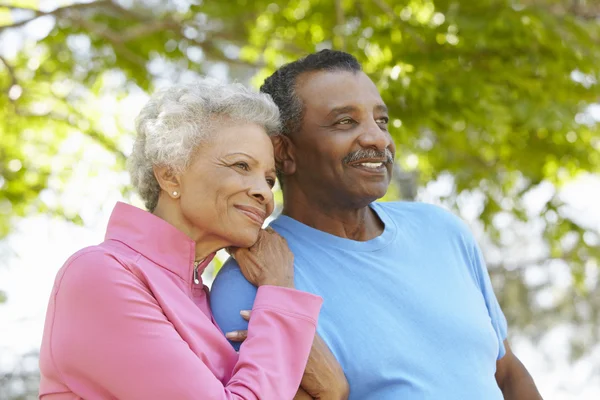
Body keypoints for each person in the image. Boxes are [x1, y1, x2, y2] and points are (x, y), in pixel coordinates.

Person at [210, 50, 544, 399]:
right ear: (284, 152)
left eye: (381, 121)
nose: (378, 139)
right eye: (345, 122)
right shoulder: (250, 284)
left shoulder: (443, 231)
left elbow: (506, 373)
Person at [38, 79, 324, 399]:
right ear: (170, 174)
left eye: (270, 180)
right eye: (241, 165)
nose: (264, 194)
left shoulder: (204, 296)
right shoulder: (100, 274)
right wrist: (279, 290)